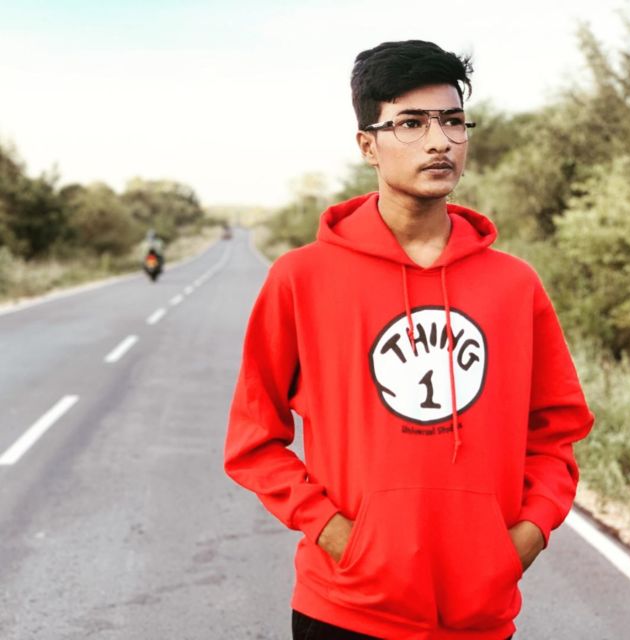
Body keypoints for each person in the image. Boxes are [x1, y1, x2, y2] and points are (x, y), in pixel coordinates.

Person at [224, 40, 594, 640]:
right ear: (367, 145)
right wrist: (339, 537)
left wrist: (524, 539)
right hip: (344, 608)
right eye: (411, 123)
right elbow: (253, 440)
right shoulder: (302, 279)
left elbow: (556, 434)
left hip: (480, 615)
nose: (439, 141)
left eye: (453, 121)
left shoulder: (514, 285)